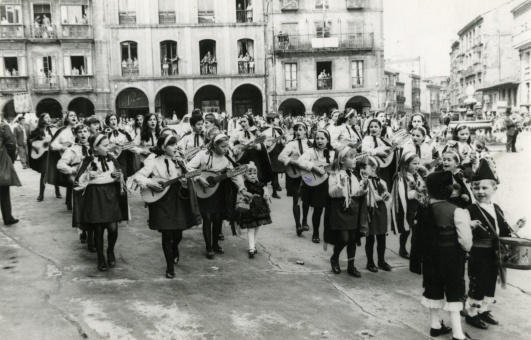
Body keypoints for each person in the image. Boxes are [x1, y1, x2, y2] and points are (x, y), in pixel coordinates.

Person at [460, 160, 526, 330]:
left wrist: (517, 226)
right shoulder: (469, 210)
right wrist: (468, 225)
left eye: (484, 188)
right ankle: (472, 314)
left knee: (490, 282)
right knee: (478, 282)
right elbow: (462, 233)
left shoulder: (496, 208)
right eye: (476, 188)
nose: (480, 192)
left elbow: (503, 232)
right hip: (478, 254)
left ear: (494, 189)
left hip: (494, 254)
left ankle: (484, 310)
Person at [412, 171, 472, 340]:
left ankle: (435, 325)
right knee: (454, 290)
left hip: (431, 257)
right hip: (451, 257)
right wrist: (466, 249)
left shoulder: (423, 209)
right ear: (447, 190)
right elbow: (465, 240)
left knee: (433, 288)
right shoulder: (456, 210)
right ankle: (458, 334)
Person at [132, 134, 201, 278]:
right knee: (166, 234)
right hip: (162, 201)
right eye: (172, 144)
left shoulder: (180, 161)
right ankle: (169, 267)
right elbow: (138, 176)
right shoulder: (154, 162)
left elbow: (190, 178)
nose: (176, 147)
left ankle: (175, 246)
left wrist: (186, 181)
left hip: (177, 200)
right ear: (163, 147)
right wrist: (150, 183)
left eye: (176, 144)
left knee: (178, 234)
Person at [73, 133, 129, 271]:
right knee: (98, 229)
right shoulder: (86, 161)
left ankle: (110, 250)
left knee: (113, 229)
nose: (108, 147)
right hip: (95, 197)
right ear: (95, 147)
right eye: (105, 145)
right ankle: (100, 257)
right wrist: (87, 175)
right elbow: (78, 181)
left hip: (110, 195)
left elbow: (121, 176)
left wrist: (118, 177)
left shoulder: (111, 159)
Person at [187, 133, 247, 259]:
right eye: (223, 146)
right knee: (207, 218)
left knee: (218, 218)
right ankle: (208, 247)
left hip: (219, 190)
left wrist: (241, 187)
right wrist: (198, 178)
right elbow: (188, 167)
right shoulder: (203, 155)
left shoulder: (227, 158)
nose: (226, 149)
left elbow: (234, 174)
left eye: (227, 146)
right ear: (214, 145)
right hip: (204, 190)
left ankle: (215, 244)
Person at [327, 146, 368, 277]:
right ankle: (335, 257)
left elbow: (357, 192)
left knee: (352, 239)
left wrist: (364, 188)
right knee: (344, 238)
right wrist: (340, 186)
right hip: (340, 209)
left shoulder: (355, 174)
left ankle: (351, 266)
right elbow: (332, 194)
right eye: (351, 157)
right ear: (342, 160)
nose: (355, 159)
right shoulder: (334, 175)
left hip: (353, 209)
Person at [57, 124, 95, 251]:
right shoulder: (72, 150)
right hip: (79, 185)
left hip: (94, 183)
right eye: (80, 132)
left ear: (89, 133)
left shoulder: (94, 147)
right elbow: (61, 164)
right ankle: (84, 231)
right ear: (76, 135)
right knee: (82, 210)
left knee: (93, 210)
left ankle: (91, 237)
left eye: (85, 131)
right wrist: (73, 170)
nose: (83, 134)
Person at [298, 129, 335, 243]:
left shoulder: (333, 152)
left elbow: (335, 166)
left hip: (329, 182)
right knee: (318, 209)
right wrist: (314, 167)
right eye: (317, 138)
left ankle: (328, 235)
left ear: (328, 140)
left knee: (329, 210)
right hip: (316, 184)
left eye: (322, 138)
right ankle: (315, 233)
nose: (319, 141)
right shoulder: (311, 151)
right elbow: (300, 161)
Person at [391, 152, 428, 259]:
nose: (417, 166)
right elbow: (403, 194)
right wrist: (418, 191)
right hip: (408, 207)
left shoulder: (418, 175)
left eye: (418, 163)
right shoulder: (401, 177)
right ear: (406, 164)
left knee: (417, 231)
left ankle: (415, 251)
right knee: (407, 229)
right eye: (414, 163)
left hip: (419, 206)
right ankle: (402, 248)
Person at [358, 156, 392, 272]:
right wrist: (378, 197)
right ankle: (370, 262)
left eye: (364, 167)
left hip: (380, 210)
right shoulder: (362, 182)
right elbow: (365, 197)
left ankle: (381, 261)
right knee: (370, 238)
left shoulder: (382, 182)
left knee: (382, 237)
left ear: (373, 168)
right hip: (370, 211)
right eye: (360, 167)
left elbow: (386, 196)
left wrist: (387, 196)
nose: (362, 170)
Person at [278, 122, 310, 236]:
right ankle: (298, 225)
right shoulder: (291, 144)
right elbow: (281, 157)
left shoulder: (310, 143)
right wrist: (293, 161)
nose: (298, 132)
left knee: (306, 199)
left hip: (307, 173)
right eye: (296, 130)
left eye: (301, 129)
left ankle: (305, 220)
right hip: (295, 175)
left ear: (306, 131)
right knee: (296, 199)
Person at [237, 162, 272, 258]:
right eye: (249, 173)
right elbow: (241, 194)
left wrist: (266, 192)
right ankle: (251, 248)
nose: (252, 175)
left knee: (257, 227)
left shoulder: (259, 184)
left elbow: (264, 189)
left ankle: (254, 245)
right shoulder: (244, 185)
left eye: (254, 173)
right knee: (251, 228)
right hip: (250, 209)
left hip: (260, 209)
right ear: (244, 175)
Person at [230, 114, 273, 185]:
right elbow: (230, 141)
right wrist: (233, 148)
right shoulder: (238, 132)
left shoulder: (257, 132)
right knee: (242, 177)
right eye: (241, 122)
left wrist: (255, 146)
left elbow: (262, 145)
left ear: (249, 121)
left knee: (256, 177)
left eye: (244, 121)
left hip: (254, 156)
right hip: (242, 157)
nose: (242, 123)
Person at [48, 111, 78, 210]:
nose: (73, 117)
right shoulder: (62, 131)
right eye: (71, 116)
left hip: (78, 157)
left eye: (75, 115)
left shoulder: (80, 129)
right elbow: (53, 145)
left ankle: (74, 201)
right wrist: (63, 147)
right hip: (67, 158)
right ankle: (70, 202)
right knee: (71, 180)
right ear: (67, 119)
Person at [28, 113, 61, 201]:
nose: (49, 119)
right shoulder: (38, 130)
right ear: (42, 120)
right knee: (44, 173)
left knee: (55, 172)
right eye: (46, 117)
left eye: (49, 117)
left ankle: (57, 192)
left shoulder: (52, 129)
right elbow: (30, 140)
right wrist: (35, 145)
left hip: (52, 154)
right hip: (43, 155)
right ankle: (41, 194)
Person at [362, 118, 398, 191]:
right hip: (372, 166)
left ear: (381, 128)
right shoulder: (367, 139)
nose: (373, 129)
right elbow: (364, 149)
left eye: (376, 127)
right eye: (371, 127)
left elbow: (388, 150)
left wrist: (394, 148)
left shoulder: (383, 140)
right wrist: (377, 153)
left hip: (383, 167)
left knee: (384, 183)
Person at [0, 119, 21, 226]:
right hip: (2, 160)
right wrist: (10, 159)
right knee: (3, 190)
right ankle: (7, 217)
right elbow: (11, 144)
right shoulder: (3, 126)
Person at [261, 112, 285, 199]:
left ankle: (274, 192)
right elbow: (260, 141)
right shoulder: (264, 130)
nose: (279, 120)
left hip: (275, 153)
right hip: (269, 152)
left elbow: (282, 141)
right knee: (268, 173)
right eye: (277, 118)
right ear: (272, 120)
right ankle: (266, 192)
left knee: (274, 173)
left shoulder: (278, 129)